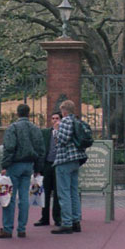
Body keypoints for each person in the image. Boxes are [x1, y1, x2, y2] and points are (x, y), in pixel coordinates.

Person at [0, 104, 45, 239]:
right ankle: (22, 229)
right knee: (24, 198)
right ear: (29, 114)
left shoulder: (13, 128)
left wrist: (5, 165)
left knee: (8, 196)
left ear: (17, 113)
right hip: (29, 165)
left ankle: (8, 229)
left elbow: (9, 147)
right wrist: (38, 169)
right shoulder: (35, 129)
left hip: (15, 165)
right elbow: (40, 150)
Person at [51, 99, 88, 235]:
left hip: (64, 159)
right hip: (75, 159)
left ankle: (66, 223)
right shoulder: (76, 120)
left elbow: (63, 139)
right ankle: (76, 221)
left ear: (64, 111)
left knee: (64, 192)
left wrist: (56, 131)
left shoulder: (66, 121)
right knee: (73, 192)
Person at [34, 111, 62, 227]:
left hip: (58, 165)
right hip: (47, 165)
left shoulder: (63, 133)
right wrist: (38, 167)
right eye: (53, 118)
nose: (55, 120)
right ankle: (44, 218)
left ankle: (57, 218)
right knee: (44, 193)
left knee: (57, 193)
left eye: (57, 118)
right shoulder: (45, 133)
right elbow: (40, 149)